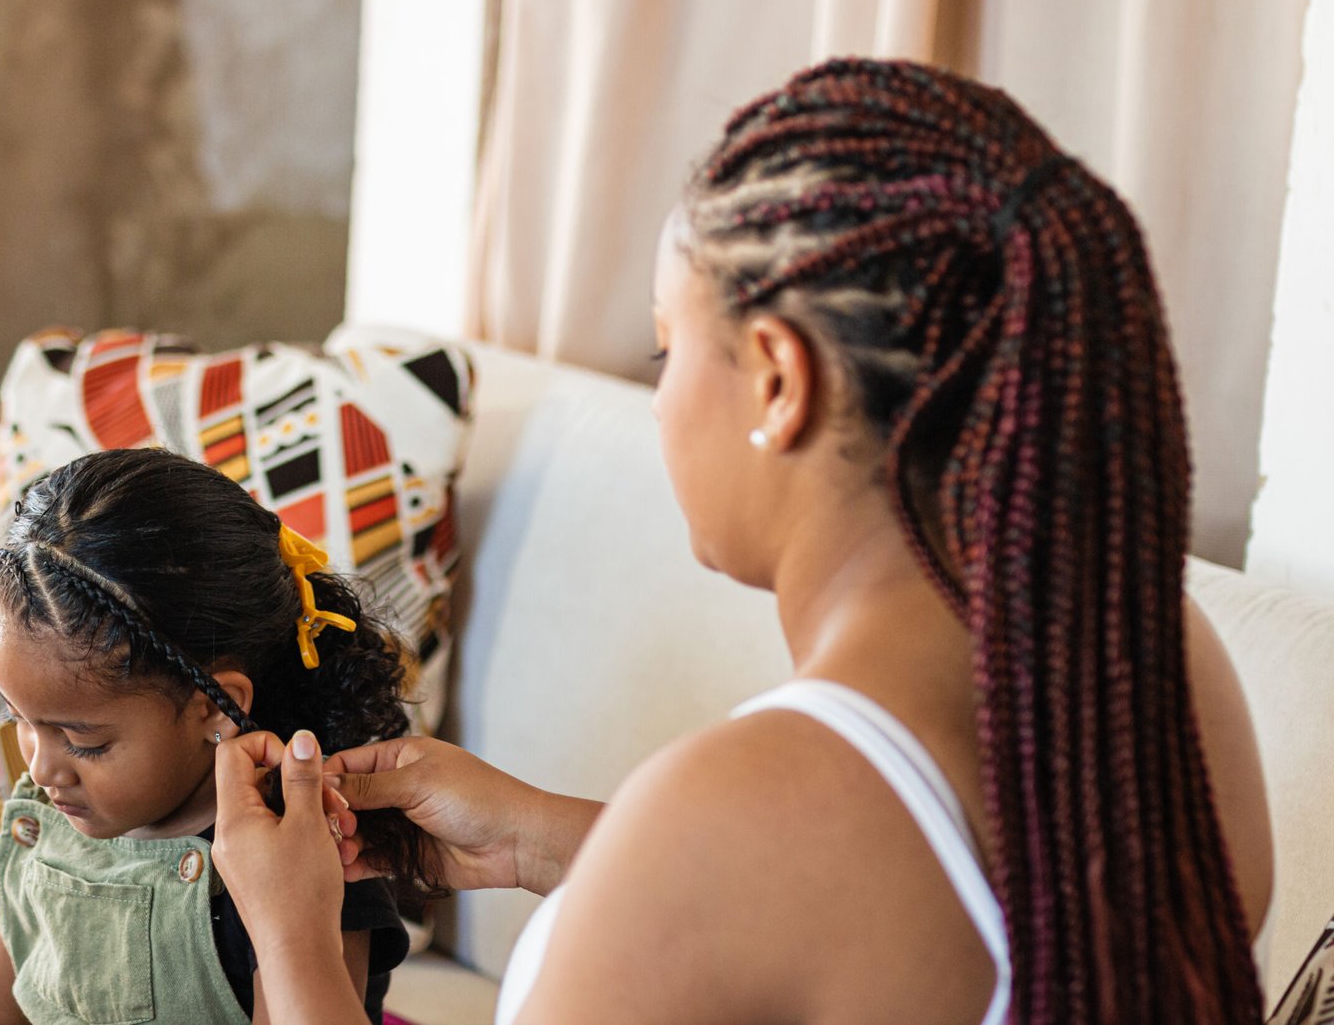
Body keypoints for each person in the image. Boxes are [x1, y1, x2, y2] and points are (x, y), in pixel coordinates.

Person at [209, 58, 1275, 1024]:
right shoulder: (1161, 662)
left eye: (667, 347)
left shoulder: (729, 820)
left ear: (776, 376)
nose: (659, 397)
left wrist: (291, 937)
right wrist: (543, 837)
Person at [0, 449, 417, 1025]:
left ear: (216, 705)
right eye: (19, 721)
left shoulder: (293, 866)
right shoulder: (46, 822)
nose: (43, 766)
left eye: (84, 741)